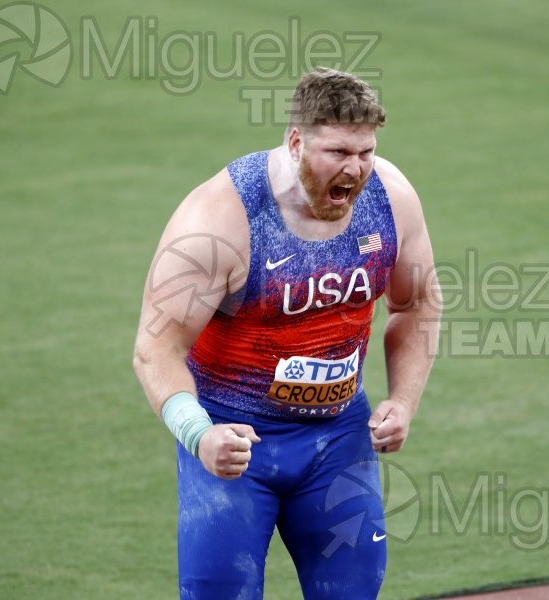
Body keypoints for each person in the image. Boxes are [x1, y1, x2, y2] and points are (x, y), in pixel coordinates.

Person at [132, 67, 441, 599]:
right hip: (235, 443)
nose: (357, 169)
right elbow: (155, 348)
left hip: (339, 438)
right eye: (339, 153)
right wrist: (199, 434)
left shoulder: (390, 198)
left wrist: (404, 400)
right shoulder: (221, 217)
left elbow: (416, 307)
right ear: (296, 142)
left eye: (365, 153)